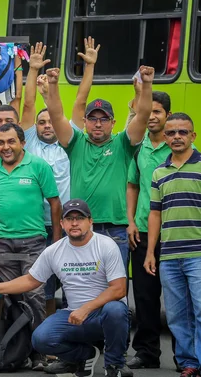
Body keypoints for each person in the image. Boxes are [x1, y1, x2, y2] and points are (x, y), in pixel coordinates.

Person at [0, 198, 128, 377]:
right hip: (73, 315)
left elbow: (119, 289)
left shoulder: (106, 245)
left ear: (90, 221)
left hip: (102, 314)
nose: (74, 223)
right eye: (69, 219)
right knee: (41, 338)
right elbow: (31, 280)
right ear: (62, 223)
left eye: (80, 218)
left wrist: (86, 308)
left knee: (116, 310)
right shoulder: (54, 250)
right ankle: (83, 357)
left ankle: (115, 365)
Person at [42, 63, 153, 269]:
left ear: (113, 122)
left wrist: (146, 86)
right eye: (93, 118)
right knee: (79, 289)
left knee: (116, 290)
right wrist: (53, 84)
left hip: (116, 230)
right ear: (84, 122)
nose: (98, 123)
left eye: (104, 119)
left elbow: (144, 115)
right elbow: (56, 115)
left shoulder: (123, 144)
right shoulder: (75, 143)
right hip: (80, 228)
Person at [0, 122, 62, 369]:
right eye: (1, 142)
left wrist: (57, 243)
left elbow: (55, 204)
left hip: (33, 242)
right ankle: (5, 350)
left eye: (11, 141)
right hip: (1, 244)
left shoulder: (38, 166)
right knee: (0, 294)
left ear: (22, 143)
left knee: (35, 295)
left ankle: (39, 352)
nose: (5, 147)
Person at [145, 112, 201, 377]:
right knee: (178, 315)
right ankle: (189, 362)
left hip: (198, 254)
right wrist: (150, 253)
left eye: (182, 132)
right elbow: (155, 213)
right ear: (165, 138)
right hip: (169, 257)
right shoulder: (159, 172)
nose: (176, 137)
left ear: (193, 136)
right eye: (171, 133)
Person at [19, 43, 71, 321]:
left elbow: (71, 106)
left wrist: (51, 88)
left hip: (67, 223)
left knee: (73, 283)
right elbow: (28, 104)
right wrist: (33, 69)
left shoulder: (67, 143)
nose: (47, 124)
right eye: (41, 122)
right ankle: (47, 337)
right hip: (37, 224)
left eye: (51, 120)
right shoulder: (29, 144)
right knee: (45, 285)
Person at [126, 92, 174, 370]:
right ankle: (146, 352)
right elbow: (132, 185)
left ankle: (185, 357)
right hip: (142, 233)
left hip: (175, 235)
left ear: (167, 114)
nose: (153, 117)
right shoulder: (138, 147)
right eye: (150, 112)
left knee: (180, 299)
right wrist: (131, 221)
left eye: (158, 112)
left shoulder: (178, 146)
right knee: (144, 297)